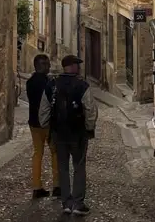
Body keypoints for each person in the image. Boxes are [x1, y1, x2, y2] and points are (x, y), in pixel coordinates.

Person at [39, 55, 98, 216]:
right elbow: (90, 110)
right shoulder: (82, 85)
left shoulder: (52, 85)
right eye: (77, 65)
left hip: (59, 133)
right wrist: (89, 128)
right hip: (78, 133)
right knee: (79, 167)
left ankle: (66, 202)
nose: (79, 68)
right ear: (71, 67)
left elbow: (44, 109)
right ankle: (78, 203)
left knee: (63, 167)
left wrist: (47, 127)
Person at [26, 54, 60, 199]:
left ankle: (36, 186)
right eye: (46, 64)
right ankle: (57, 186)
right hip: (47, 123)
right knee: (55, 152)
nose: (49, 66)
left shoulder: (30, 82)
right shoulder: (48, 83)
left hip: (34, 123)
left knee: (37, 153)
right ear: (41, 66)